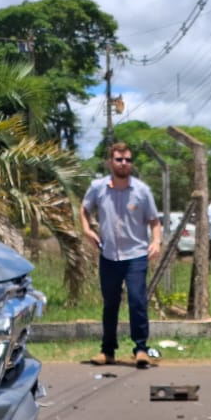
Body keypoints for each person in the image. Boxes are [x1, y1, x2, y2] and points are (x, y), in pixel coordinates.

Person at [81, 141, 163, 368]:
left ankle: (141, 350)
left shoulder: (141, 191)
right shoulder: (97, 188)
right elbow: (84, 209)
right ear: (111, 162)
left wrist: (156, 241)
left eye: (127, 160)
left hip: (135, 255)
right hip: (108, 254)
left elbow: (154, 221)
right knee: (110, 304)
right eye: (119, 159)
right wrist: (87, 230)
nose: (124, 163)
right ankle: (107, 351)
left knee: (137, 301)